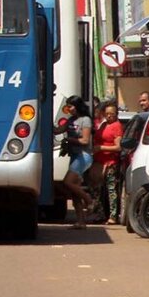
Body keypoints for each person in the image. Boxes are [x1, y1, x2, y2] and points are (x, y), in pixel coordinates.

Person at [60, 95, 94, 229]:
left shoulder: (85, 120)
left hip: (83, 156)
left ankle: (89, 200)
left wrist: (69, 140)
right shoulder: (70, 120)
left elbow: (85, 140)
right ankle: (81, 222)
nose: (69, 109)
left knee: (67, 182)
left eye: (71, 106)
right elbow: (58, 130)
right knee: (74, 192)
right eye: (68, 106)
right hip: (74, 156)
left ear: (78, 106)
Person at [93, 103, 125, 225]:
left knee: (111, 189)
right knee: (98, 190)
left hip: (110, 162)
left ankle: (113, 216)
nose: (109, 116)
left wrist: (101, 148)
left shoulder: (117, 127)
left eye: (112, 114)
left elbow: (118, 147)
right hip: (100, 162)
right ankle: (100, 214)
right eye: (107, 114)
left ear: (116, 114)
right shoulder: (104, 124)